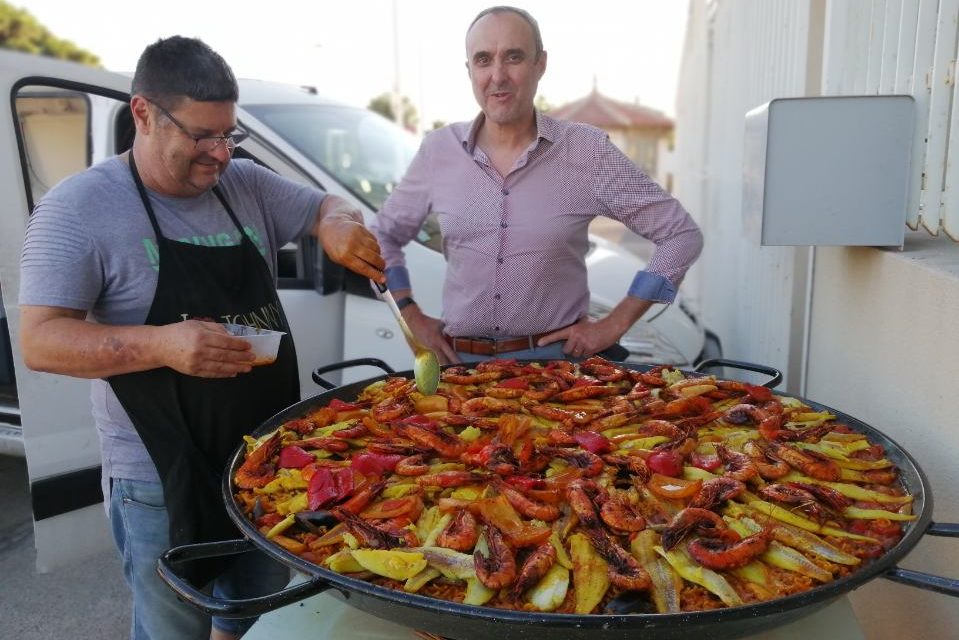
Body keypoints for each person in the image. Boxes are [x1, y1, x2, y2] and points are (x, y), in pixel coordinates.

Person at [18, 37, 384, 640]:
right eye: (201, 136)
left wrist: (341, 227)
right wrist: (161, 345)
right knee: (173, 630)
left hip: (265, 462)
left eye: (229, 135)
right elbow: (40, 341)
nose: (219, 154)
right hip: (158, 477)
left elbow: (326, 205)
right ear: (143, 114)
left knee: (250, 619)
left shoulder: (246, 185)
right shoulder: (78, 209)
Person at [372, 6, 703, 365]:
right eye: (483, 60)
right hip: (460, 368)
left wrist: (615, 323)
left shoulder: (587, 151)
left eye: (513, 57)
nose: (497, 76)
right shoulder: (439, 151)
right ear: (469, 70)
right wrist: (408, 312)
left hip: (556, 371)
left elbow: (680, 234)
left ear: (540, 64)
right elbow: (383, 235)